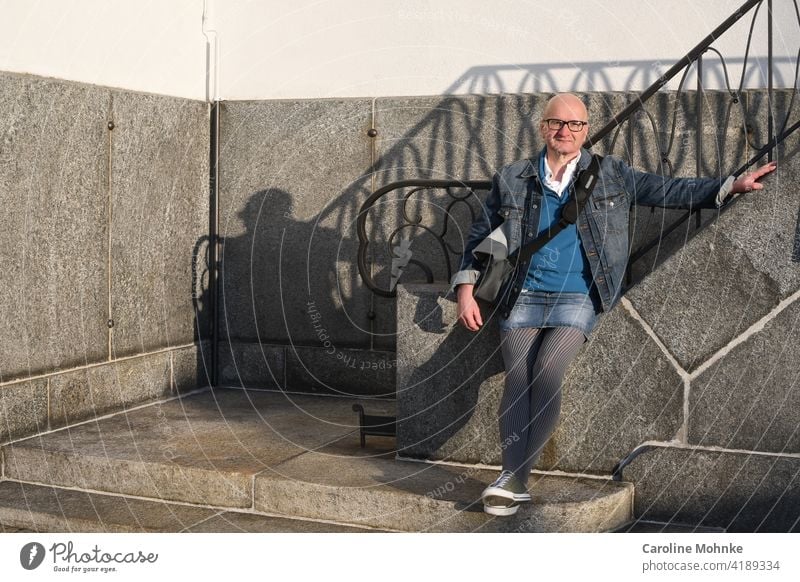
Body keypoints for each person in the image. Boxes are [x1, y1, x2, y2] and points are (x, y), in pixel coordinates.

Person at [451, 93, 777, 516]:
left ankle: (512, 479)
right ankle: (513, 479)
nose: (564, 132)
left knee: (548, 370)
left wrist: (729, 185)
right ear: (542, 127)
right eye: (556, 123)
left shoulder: (612, 174)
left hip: (579, 296)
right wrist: (464, 289)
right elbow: (481, 235)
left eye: (574, 125)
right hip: (524, 294)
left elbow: (669, 190)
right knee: (518, 375)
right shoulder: (513, 177)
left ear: (586, 131)